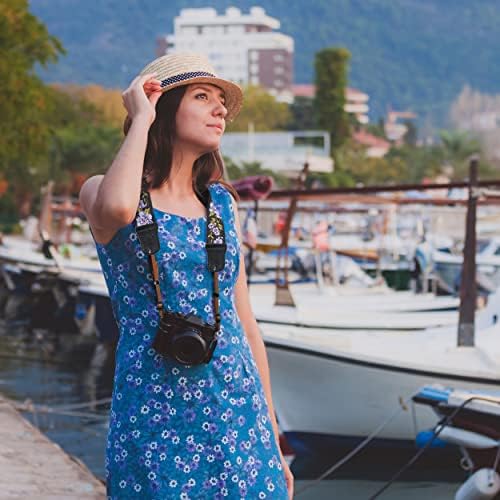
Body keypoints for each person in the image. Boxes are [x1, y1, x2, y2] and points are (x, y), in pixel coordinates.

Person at [79, 52, 294, 499]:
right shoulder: (104, 191)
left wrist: (272, 434)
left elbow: (245, 325)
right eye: (202, 96)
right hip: (154, 414)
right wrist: (141, 116)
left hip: (238, 413)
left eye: (222, 101)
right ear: (163, 107)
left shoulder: (221, 206)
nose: (219, 110)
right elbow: (118, 209)